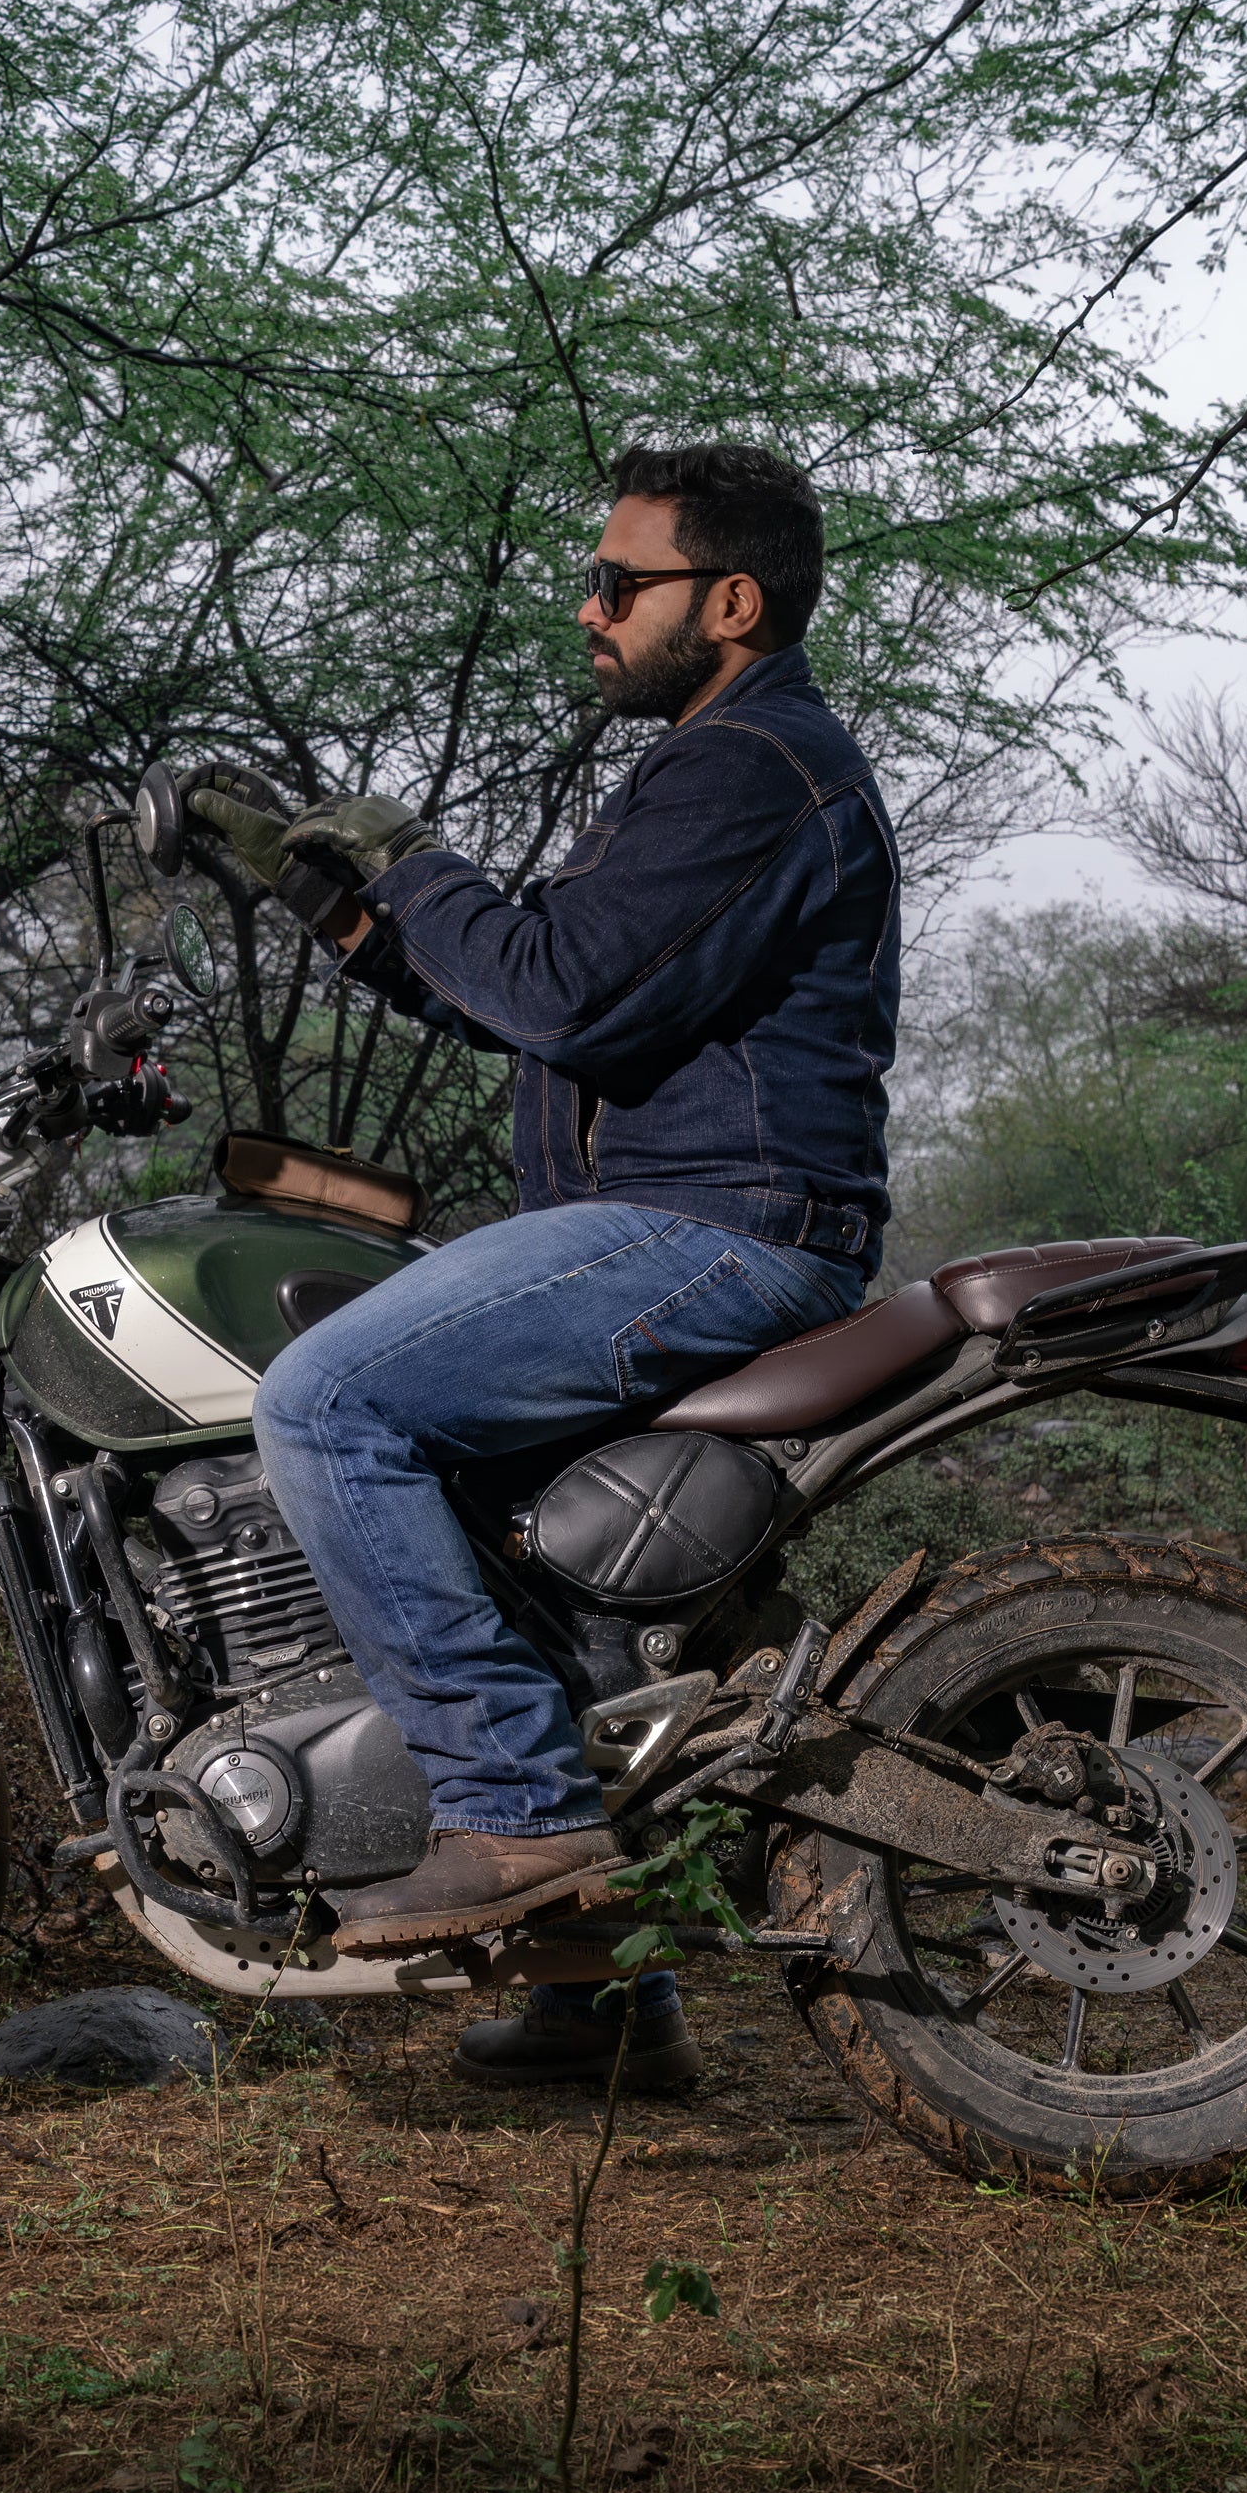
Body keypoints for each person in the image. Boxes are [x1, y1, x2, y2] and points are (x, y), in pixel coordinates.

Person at [192, 441, 900, 2090]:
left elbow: (559, 988)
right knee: (517, 1553)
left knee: (327, 1405)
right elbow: (543, 1000)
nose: (589, 609)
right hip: (698, 1214)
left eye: (619, 582)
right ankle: (605, 1997)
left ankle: (513, 1816)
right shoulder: (717, 766)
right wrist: (350, 920)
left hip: (724, 1226)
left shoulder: (751, 768)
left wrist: (413, 858)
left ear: (732, 601)